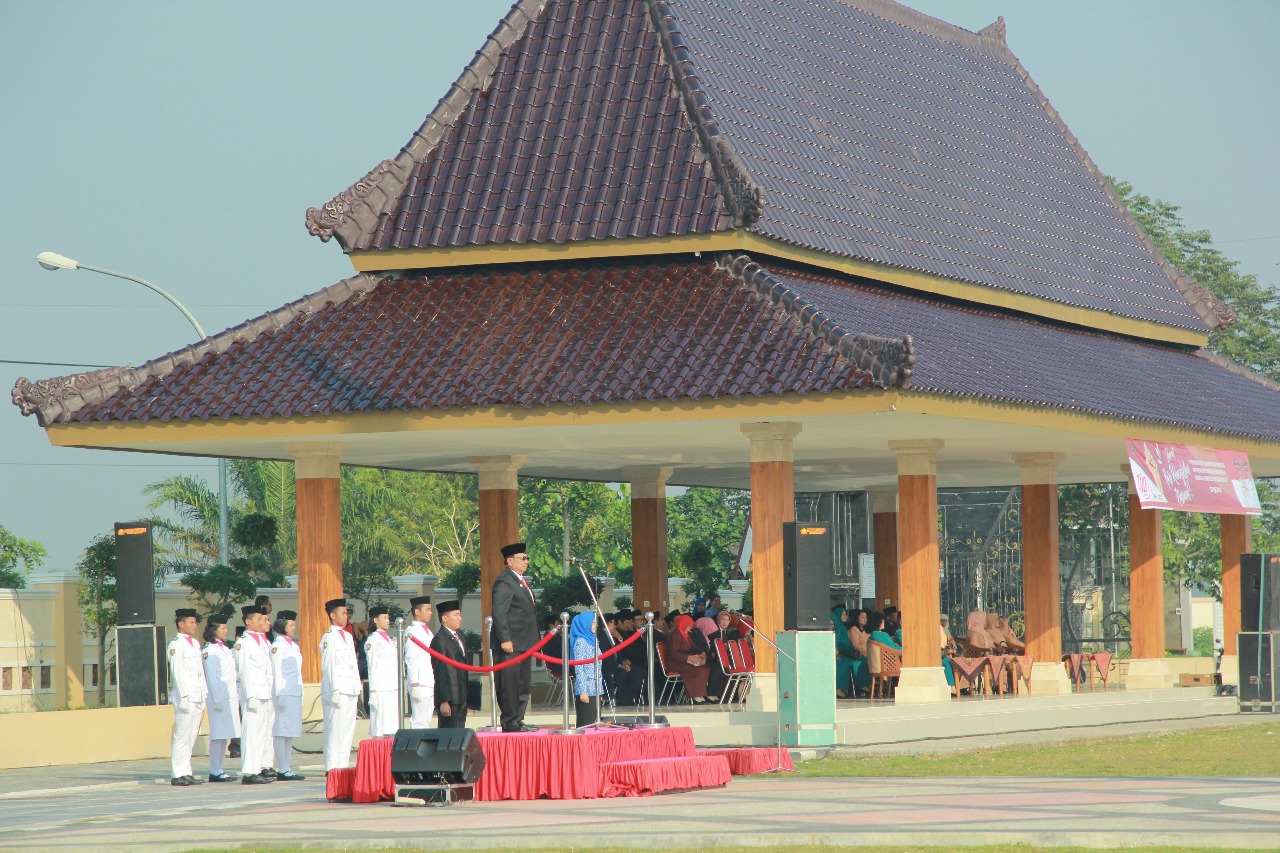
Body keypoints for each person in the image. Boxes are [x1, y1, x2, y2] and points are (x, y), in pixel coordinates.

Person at [491, 542, 539, 732]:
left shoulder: (519, 580)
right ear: (510, 561)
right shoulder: (505, 581)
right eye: (523, 558)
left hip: (524, 642)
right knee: (510, 683)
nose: (526, 561)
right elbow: (499, 612)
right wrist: (505, 638)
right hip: (511, 643)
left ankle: (518, 719)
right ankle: (510, 720)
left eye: (527, 558)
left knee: (522, 683)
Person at [235, 604, 275, 784]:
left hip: (265, 692)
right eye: (258, 619)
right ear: (248, 621)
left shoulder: (262, 641)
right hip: (253, 693)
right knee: (251, 733)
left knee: (262, 733)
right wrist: (249, 695)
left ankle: (257, 767)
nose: (261, 622)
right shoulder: (242, 643)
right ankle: (249, 771)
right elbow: (244, 671)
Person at [167, 608, 206, 786]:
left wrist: (203, 693)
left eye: (195, 622)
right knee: (181, 736)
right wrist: (183, 695)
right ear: (181, 624)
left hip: (197, 695)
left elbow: (199, 671)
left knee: (191, 736)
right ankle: (178, 773)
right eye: (191, 622)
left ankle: (186, 771)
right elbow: (177, 672)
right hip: (185, 696)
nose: (194, 625)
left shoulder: (195, 643)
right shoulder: (176, 644)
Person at [320, 598, 360, 772]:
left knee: (347, 730)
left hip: (350, 688)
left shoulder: (348, 636)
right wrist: (335, 689)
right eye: (343, 613)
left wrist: (357, 686)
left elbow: (353, 663)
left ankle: (342, 766)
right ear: (332, 615)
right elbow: (329, 665)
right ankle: (332, 767)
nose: (346, 616)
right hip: (338, 689)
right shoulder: (329, 637)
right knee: (335, 730)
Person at [201, 614, 240, 782]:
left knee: (224, 735)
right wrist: (217, 699)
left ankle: (220, 769)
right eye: (222, 628)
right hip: (218, 699)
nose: (226, 630)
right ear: (214, 630)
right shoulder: (209, 651)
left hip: (229, 697)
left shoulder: (225, 649)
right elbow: (212, 677)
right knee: (217, 735)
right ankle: (214, 771)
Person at [269, 610, 306, 781]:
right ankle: (282, 768)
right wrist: (279, 694)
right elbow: (276, 672)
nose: (293, 627)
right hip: (283, 692)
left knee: (290, 731)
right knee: (281, 730)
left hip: (294, 692)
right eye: (291, 624)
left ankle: (287, 767)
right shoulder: (278, 646)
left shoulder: (293, 645)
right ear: (282, 625)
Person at [431, 600, 471, 729]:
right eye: (456, 615)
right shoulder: (440, 640)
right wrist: (444, 700)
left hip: (461, 694)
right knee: (448, 737)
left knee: (460, 735)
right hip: (450, 697)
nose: (460, 618)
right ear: (445, 618)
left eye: (460, 615)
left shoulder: (459, 636)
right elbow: (440, 672)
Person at [364, 605, 399, 738]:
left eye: (388, 618)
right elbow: (372, 666)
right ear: (375, 620)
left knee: (392, 726)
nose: (387, 620)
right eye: (384, 618)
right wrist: (373, 692)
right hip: (381, 688)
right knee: (380, 726)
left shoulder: (389, 640)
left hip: (392, 686)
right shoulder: (373, 640)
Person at [404, 596, 435, 728]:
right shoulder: (412, 632)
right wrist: (415, 684)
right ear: (417, 611)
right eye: (427, 609)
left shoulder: (427, 631)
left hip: (428, 679)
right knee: (419, 721)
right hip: (420, 682)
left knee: (426, 719)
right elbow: (411, 659)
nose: (430, 612)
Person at [665, 614, 711, 703]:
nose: (690, 627)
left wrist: (702, 653)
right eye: (689, 625)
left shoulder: (686, 635)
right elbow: (674, 653)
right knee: (695, 670)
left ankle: (701, 694)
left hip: (684, 661)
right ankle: (695, 695)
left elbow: (694, 647)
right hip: (674, 663)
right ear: (683, 624)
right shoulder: (675, 636)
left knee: (704, 668)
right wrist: (689, 658)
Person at [569, 611, 603, 726]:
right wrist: (583, 691)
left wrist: (599, 691)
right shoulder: (581, 642)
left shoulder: (593, 640)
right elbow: (579, 668)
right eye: (593, 623)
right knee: (586, 723)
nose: (595, 625)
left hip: (595, 689)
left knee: (594, 724)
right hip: (586, 689)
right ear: (585, 624)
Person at [831, 606, 861, 699]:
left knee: (861, 662)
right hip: (840, 654)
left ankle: (863, 686)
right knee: (842, 664)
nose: (844, 616)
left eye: (845, 614)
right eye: (842, 614)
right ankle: (838, 689)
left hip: (846, 652)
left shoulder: (843, 627)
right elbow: (837, 643)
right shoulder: (837, 627)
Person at [695, 615, 727, 700]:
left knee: (719, 668)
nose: (711, 631)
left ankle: (715, 693)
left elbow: (712, 652)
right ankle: (710, 693)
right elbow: (701, 652)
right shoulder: (696, 637)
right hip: (698, 661)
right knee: (715, 668)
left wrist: (711, 655)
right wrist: (710, 655)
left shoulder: (706, 637)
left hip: (707, 660)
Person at [847, 608, 871, 695]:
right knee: (864, 663)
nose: (865, 619)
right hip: (859, 654)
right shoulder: (854, 630)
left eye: (866, 617)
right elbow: (856, 645)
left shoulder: (864, 631)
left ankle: (871, 683)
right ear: (857, 619)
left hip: (867, 654)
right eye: (862, 617)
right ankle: (863, 685)